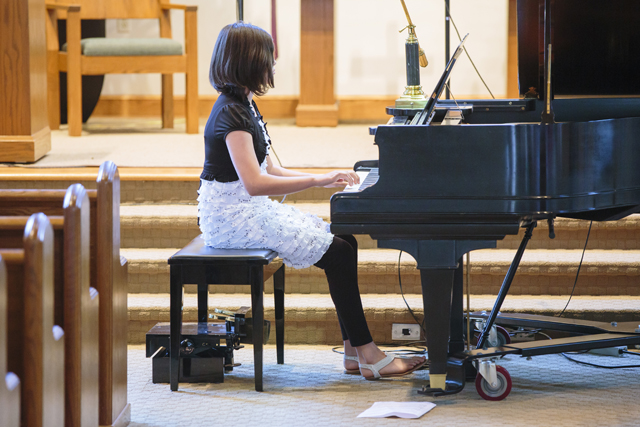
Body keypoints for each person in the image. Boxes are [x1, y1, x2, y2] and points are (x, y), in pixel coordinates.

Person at [198, 21, 426, 380]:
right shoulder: (231, 113)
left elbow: (272, 168)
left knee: (344, 241)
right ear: (249, 62)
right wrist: (319, 180)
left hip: (246, 209)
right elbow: (255, 183)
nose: (273, 64)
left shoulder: (243, 104)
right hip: (232, 219)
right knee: (338, 253)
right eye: (268, 57)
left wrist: (324, 177)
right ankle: (369, 354)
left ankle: (353, 352)